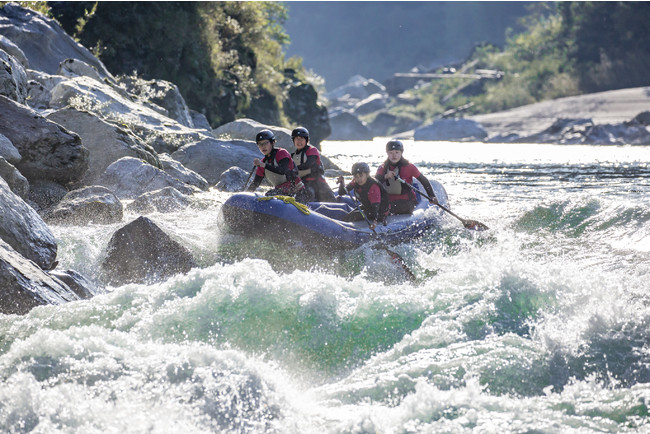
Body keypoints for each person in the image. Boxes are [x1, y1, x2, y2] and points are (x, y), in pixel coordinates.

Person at [247, 129, 313, 203]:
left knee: (270, 194)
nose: (263, 147)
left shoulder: (282, 153)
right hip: (282, 192)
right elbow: (256, 183)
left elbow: (282, 170)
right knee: (269, 194)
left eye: (266, 143)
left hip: (298, 193)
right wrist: (245, 195)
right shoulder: (262, 163)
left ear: (272, 143)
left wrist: (264, 165)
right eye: (260, 144)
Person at [375, 139, 438, 215]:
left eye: (397, 152)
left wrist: (432, 196)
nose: (394, 155)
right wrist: (385, 176)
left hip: (407, 202)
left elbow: (423, 180)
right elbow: (374, 183)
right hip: (388, 202)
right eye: (391, 153)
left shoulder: (409, 167)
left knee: (385, 208)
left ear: (401, 152)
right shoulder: (382, 168)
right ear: (387, 153)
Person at [290, 127, 337, 202]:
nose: (299, 141)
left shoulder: (312, 150)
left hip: (318, 184)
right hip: (303, 184)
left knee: (331, 200)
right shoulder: (292, 156)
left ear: (307, 140)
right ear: (293, 140)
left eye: (302, 138)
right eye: (297, 139)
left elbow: (308, 164)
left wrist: (292, 169)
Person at [337, 162, 389, 230]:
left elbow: (376, 207)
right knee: (347, 217)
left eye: (361, 176)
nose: (359, 179)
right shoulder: (355, 182)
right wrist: (342, 183)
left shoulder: (373, 186)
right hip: (368, 207)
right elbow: (342, 192)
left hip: (380, 211)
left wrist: (375, 222)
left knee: (355, 216)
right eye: (356, 176)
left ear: (367, 175)